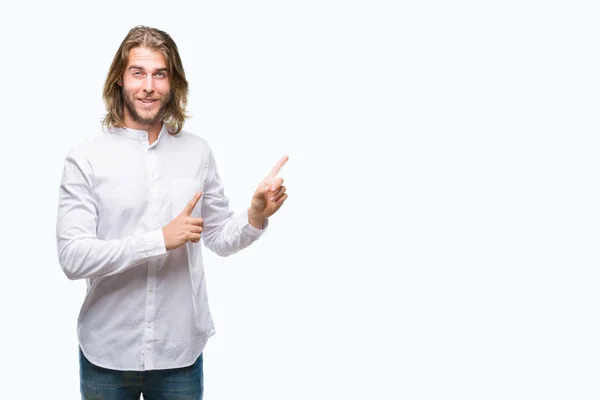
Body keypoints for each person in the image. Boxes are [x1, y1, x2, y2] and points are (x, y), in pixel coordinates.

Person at [56, 25, 288, 399]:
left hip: (179, 350)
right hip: (107, 352)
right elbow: (73, 258)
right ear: (120, 79)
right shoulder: (85, 158)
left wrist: (255, 215)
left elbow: (218, 238)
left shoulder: (198, 152)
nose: (148, 86)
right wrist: (158, 241)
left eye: (159, 74)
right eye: (138, 73)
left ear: (172, 82)